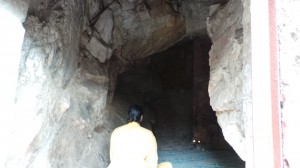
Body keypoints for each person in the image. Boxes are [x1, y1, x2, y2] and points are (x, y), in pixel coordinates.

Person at [107, 104, 172, 168]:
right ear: (141, 117)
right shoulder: (148, 134)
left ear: (129, 115)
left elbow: (112, 157)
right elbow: (152, 160)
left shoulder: (116, 131)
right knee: (167, 165)